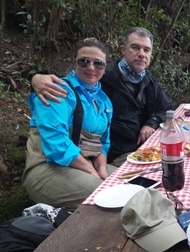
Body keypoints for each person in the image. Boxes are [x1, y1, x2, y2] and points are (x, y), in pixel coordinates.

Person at [30, 27, 173, 166]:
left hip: (140, 146)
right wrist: (36, 78)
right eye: (135, 47)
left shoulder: (149, 81)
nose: (142, 54)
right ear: (123, 50)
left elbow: (166, 108)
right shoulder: (103, 75)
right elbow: (70, 82)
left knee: (174, 159)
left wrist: (151, 123)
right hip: (113, 153)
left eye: (146, 50)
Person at [23, 38, 115, 210]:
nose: (91, 67)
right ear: (75, 62)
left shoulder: (104, 101)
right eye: (84, 61)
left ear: (105, 67)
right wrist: (91, 172)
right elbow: (57, 143)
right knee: (107, 197)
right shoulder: (56, 90)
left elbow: (103, 143)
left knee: (128, 184)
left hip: (84, 164)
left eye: (98, 64)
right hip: (48, 168)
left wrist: (102, 168)